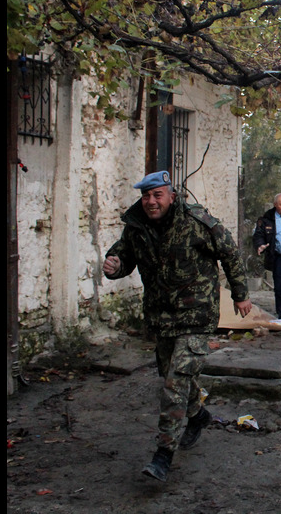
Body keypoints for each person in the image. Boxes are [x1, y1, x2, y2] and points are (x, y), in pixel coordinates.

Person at [102, 170, 253, 483]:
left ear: (171, 195)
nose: (151, 202)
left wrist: (240, 295)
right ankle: (198, 416)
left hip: (197, 314)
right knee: (176, 377)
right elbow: (124, 254)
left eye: (157, 195)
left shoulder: (196, 221)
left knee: (175, 382)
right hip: (162, 318)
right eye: (146, 196)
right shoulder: (137, 226)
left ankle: (163, 455)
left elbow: (229, 253)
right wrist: (114, 263)